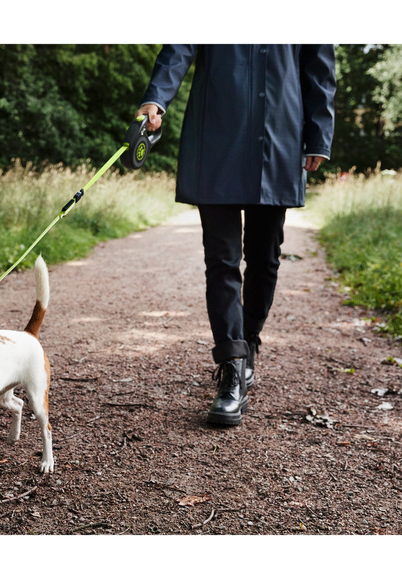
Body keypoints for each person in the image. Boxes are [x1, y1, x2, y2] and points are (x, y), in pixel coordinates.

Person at [136, 45, 336, 426]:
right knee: (222, 261)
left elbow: (319, 69)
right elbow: (179, 47)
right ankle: (231, 365)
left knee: (265, 258)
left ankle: (248, 343)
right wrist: (156, 99)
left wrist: (319, 135)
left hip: (280, 134)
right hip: (216, 138)